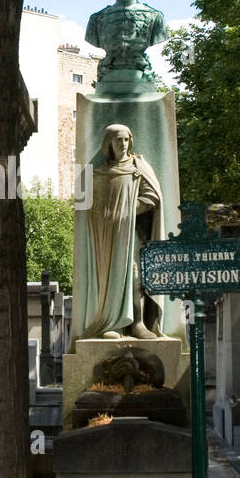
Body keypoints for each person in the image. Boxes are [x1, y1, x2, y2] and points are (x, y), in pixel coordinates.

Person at [81, 123, 165, 339]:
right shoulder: (99, 173)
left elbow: (152, 196)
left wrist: (130, 210)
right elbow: (88, 205)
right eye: (118, 140)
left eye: (126, 139)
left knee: (135, 275)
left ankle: (137, 324)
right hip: (106, 233)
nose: (123, 144)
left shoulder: (138, 167)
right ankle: (114, 323)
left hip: (131, 231)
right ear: (109, 143)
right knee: (110, 277)